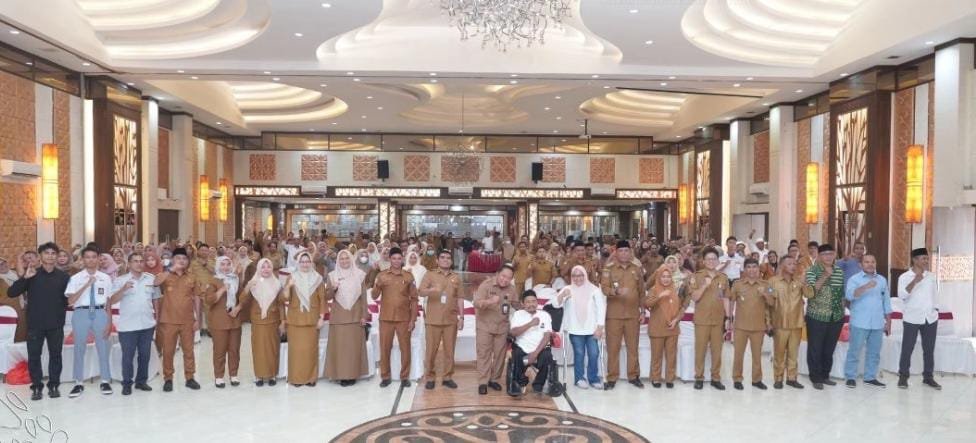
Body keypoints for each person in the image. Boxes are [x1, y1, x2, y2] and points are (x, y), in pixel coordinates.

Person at [7, 242, 70, 400]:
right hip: (35, 324)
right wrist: (25, 278)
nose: (50, 256)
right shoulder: (32, 273)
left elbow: (68, 300)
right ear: (40, 256)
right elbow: (11, 292)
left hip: (56, 324)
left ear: (56, 256)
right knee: (34, 356)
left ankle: (54, 385)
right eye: (46, 253)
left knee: (56, 355)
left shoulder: (64, 277)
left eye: (53, 253)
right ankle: (36, 387)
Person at [153, 247, 207, 392]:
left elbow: (197, 298)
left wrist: (198, 319)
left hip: (187, 320)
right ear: (172, 260)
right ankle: (168, 378)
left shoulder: (191, 277)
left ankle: (190, 378)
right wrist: (171, 269)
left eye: (184, 259)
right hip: (168, 320)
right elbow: (156, 282)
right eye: (178, 258)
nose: (181, 261)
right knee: (168, 351)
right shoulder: (166, 274)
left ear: (188, 261)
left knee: (189, 351)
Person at [64, 246, 115, 397]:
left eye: (94, 257)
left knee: (103, 346)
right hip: (81, 313)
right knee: (79, 347)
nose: (91, 260)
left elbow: (108, 301)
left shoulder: (105, 278)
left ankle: (105, 380)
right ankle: (78, 382)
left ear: (98, 258)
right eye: (87, 257)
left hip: (100, 312)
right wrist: (86, 285)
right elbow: (70, 301)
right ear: (83, 259)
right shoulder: (75, 278)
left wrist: (109, 322)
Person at [109, 252, 159, 395]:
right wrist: (123, 289)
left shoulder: (151, 279)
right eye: (135, 261)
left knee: (145, 355)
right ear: (129, 264)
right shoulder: (120, 280)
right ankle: (127, 383)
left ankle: (141, 381)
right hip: (128, 326)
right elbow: (112, 300)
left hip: (147, 324)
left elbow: (156, 299)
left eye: (141, 261)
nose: (139, 263)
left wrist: (157, 318)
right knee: (127, 357)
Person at [599, 240, 645, 389]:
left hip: (632, 315)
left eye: (626, 251)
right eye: (621, 251)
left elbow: (642, 292)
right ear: (616, 252)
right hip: (614, 315)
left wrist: (642, 311)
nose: (624, 253)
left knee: (633, 347)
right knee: (613, 348)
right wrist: (615, 291)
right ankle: (612, 377)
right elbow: (604, 288)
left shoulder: (636, 269)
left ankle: (633, 376)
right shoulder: (609, 269)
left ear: (630, 252)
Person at [232, 258, 284, 386]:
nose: (266, 269)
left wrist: (283, 321)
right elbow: (242, 300)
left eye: (268, 267)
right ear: (259, 268)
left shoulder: (277, 284)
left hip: (273, 320)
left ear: (272, 268)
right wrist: (247, 287)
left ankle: (272, 375)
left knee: (272, 348)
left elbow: (281, 304)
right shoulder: (253, 282)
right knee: (258, 348)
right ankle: (259, 376)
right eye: (263, 267)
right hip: (258, 320)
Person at [371, 247, 418, 388]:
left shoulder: (408, 276)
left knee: (405, 348)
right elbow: (374, 296)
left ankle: (405, 377)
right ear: (390, 259)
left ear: (402, 259)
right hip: (386, 318)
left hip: (404, 318)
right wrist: (377, 285)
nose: (396, 261)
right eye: (394, 258)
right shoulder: (382, 275)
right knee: (385, 348)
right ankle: (385, 376)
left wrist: (413, 319)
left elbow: (414, 299)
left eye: (399, 258)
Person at [553, 265, 606, 390]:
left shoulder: (594, 290)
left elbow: (601, 309)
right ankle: (579, 379)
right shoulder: (567, 289)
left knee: (594, 353)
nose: (578, 278)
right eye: (575, 275)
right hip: (575, 329)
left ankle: (593, 378)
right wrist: (562, 295)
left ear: (585, 275)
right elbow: (555, 304)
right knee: (579, 353)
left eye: (580, 275)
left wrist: (600, 328)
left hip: (592, 329)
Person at [418, 250, 464, 390]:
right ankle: (430, 377)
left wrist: (461, 317)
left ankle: (447, 377)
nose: (445, 260)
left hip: (450, 320)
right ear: (437, 260)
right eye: (442, 257)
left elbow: (460, 298)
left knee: (450, 351)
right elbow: (420, 291)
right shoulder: (430, 274)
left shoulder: (456, 277)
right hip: (433, 319)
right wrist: (432, 290)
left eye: (448, 258)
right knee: (431, 351)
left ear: (451, 261)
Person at [843, 255, 891, 388]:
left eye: (873, 262)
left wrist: (888, 322)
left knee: (874, 352)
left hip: (877, 322)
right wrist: (866, 286)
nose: (870, 264)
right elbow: (849, 296)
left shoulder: (882, 280)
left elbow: (886, 301)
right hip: (859, 322)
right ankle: (850, 377)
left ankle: (870, 377)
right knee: (854, 351)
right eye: (867, 262)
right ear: (861, 265)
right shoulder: (854, 279)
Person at [897, 248, 941, 389]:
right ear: (914, 260)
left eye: (927, 258)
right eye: (923, 258)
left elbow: (935, 295)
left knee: (929, 349)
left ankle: (928, 377)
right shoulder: (904, 277)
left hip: (930, 318)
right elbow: (902, 296)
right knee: (907, 348)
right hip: (912, 317)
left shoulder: (931, 276)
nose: (926, 261)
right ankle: (903, 377)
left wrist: (936, 309)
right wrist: (914, 281)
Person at [764, 255, 811, 389]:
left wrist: (805, 282)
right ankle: (778, 378)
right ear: (782, 266)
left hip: (796, 323)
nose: (793, 266)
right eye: (789, 264)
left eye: (795, 264)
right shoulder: (772, 282)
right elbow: (768, 304)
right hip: (780, 323)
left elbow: (809, 295)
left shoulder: (799, 281)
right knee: (779, 354)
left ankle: (791, 378)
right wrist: (768, 322)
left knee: (793, 353)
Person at [325, 250, 371, 386]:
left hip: (355, 316)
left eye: (347, 258)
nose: (344, 261)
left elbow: (364, 297)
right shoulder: (332, 276)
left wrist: (364, 315)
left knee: (353, 348)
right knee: (340, 348)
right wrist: (333, 288)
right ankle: (341, 375)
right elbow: (327, 297)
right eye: (341, 259)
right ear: (338, 261)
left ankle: (352, 375)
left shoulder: (359, 275)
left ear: (351, 259)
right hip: (339, 317)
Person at [282, 251, 328, 387]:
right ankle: (296, 378)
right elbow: (285, 298)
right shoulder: (292, 277)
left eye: (307, 261)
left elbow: (322, 299)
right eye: (302, 262)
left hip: (312, 319)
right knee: (296, 351)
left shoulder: (318, 278)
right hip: (295, 319)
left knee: (310, 350)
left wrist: (321, 317)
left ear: (311, 263)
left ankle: (311, 378)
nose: (305, 264)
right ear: (298, 263)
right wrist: (288, 286)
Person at [688, 247, 731, 390]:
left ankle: (715, 378)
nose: (711, 261)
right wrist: (704, 286)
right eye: (708, 259)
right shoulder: (696, 276)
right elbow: (694, 297)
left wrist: (728, 317)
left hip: (718, 320)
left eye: (714, 259)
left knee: (717, 351)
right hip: (702, 320)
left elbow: (726, 298)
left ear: (718, 261)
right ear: (703, 261)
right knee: (700, 350)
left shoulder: (723, 277)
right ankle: (699, 377)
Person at [804, 243, 845, 390]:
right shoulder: (812, 271)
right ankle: (815, 377)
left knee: (829, 348)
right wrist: (825, 275)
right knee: (815, 348)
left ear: (835, 255)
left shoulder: (839, 271)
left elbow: (841, 293)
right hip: (817, 316)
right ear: (819, 256)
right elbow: (810, 293)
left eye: (830, 254)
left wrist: (842, 313)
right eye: (824, 254)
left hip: (836, 317)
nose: (828, 257)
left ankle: (825, 375)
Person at [474, 265, 519, 395]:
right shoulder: (486, 285)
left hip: (502, 327)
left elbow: (516, 304)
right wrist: (490, 301)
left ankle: (494, 380)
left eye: (509, 278)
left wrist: (527, 307)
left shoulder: (512, 289)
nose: (505, 280)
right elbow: (476, 303)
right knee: (484, 354)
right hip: (485, 326)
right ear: (498, 274)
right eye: (503, 276)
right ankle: (483, 382)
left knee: (500, 355)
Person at [729, 259, 772, 390]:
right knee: (738, 354)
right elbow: (731, 302)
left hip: (758, 326)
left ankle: (756, 380)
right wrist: (729, 319)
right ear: (745, 269)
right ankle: (737, 379)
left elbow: (772, 303)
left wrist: (764, 294)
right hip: (740, 326)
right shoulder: (737, 284)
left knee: (757, 355)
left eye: (754, 267)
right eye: (748, 267)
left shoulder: (766, 284)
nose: (752, 270)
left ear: (758, 269)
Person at [509, 290, 560, 397]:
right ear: (522, 303)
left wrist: (535, 353)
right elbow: (513, 333)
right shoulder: (518, 314)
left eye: (533, 301)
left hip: (540, 348)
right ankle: (521, 383)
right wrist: (530, 324)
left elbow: (547, 336)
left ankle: (538, 384)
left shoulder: (544, 315)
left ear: (537, 302)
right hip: (522, 348)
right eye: (528, 302)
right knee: (516, 355)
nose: (531, 304)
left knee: (547, 356)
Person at [204, 256, 243, 388]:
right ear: (218, 266)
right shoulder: (213, 280)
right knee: (219, 350)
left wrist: (238, 308)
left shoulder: (235, 279)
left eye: (228, 264)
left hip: (234, 319)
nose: (225, 267)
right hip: (219, 321)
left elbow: (243, 297)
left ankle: (233, 374)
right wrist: (222, 289)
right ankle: (219, 376)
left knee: (234, 349)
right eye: (222, 264)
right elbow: (209, 300)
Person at [644, 268, 684, 388]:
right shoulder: (653, 290)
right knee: (656, 355)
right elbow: (647, 304)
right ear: (659, 278)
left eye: (668, 276)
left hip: (672, 328)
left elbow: (681, 308)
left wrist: (676, 320)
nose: (666, 279)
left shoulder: (675, 290)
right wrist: (660, 296)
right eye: (663, 276)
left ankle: (670, 379)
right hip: (657, 328)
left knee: (671, 356)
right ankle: (655, 378)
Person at [0, 256, 28, 342]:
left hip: (24, 308)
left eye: (3, 263)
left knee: (25, 334)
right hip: (10, 312)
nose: (2, 266)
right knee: (14, 336)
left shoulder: (17, 273)